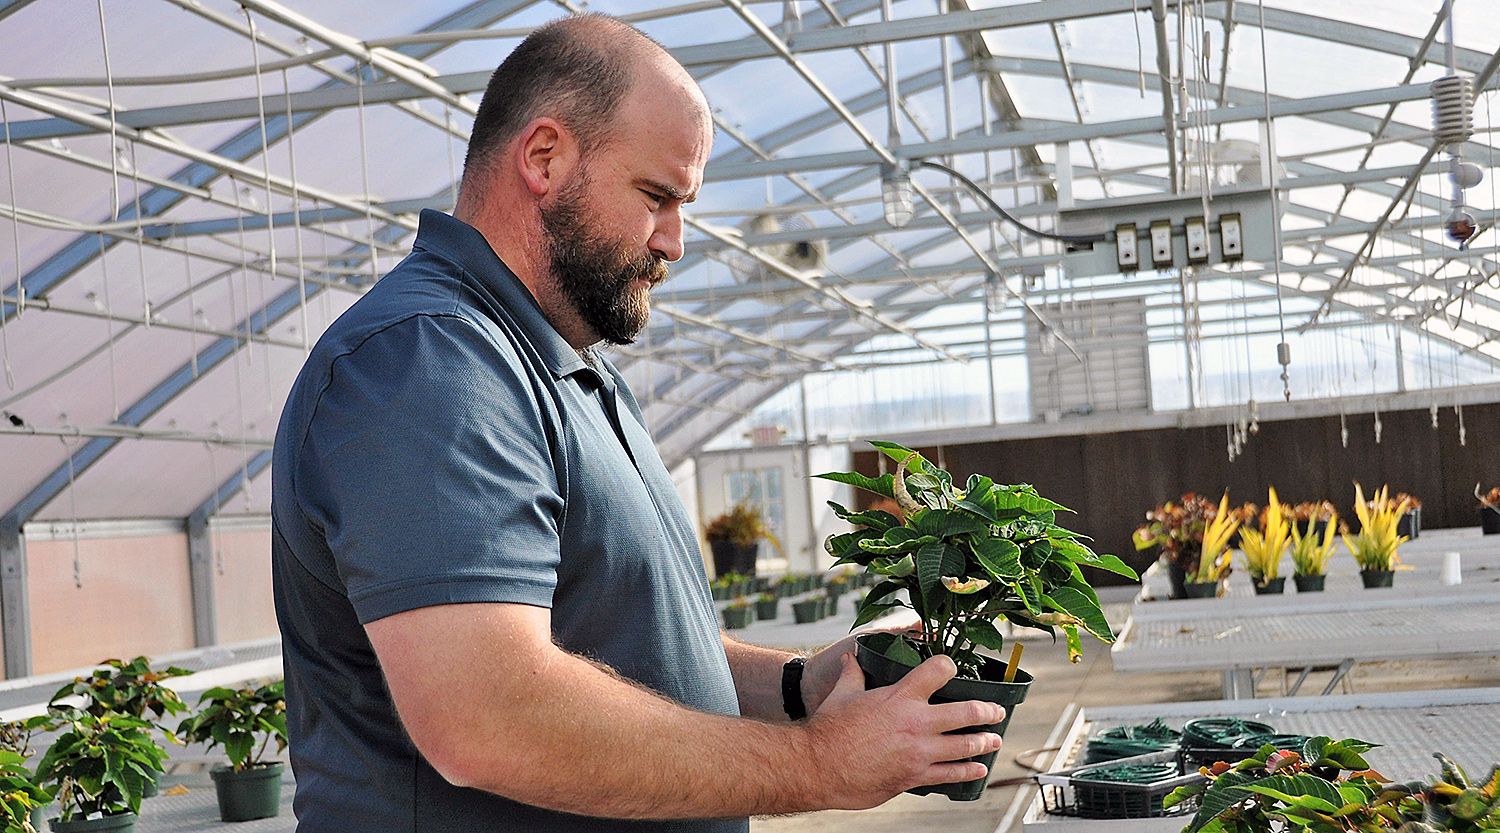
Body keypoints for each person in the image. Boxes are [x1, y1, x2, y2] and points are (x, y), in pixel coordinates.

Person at [270, 13, 1004, 832]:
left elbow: (626, 641)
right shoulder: (426, 364)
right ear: (544, 157)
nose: (676, 241)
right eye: (656, 197)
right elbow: (488, 717)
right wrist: (823, 761)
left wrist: (798, 685)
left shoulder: (563, 364)